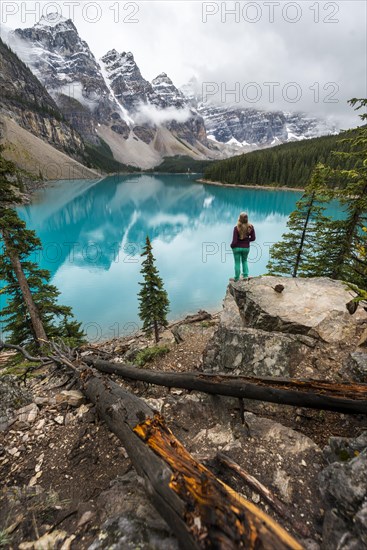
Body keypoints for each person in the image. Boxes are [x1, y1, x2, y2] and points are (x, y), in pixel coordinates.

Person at [230, 212, 256, 281]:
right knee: (244, 261)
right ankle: (245, 276)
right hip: (246, 248)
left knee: (237, 262)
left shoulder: (236, 228)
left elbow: (234, 241)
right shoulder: (251, 227)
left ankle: (237, 278)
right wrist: (247, 240)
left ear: (239, 218)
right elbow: (253, 238)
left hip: (237, 248)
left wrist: (232, 246)